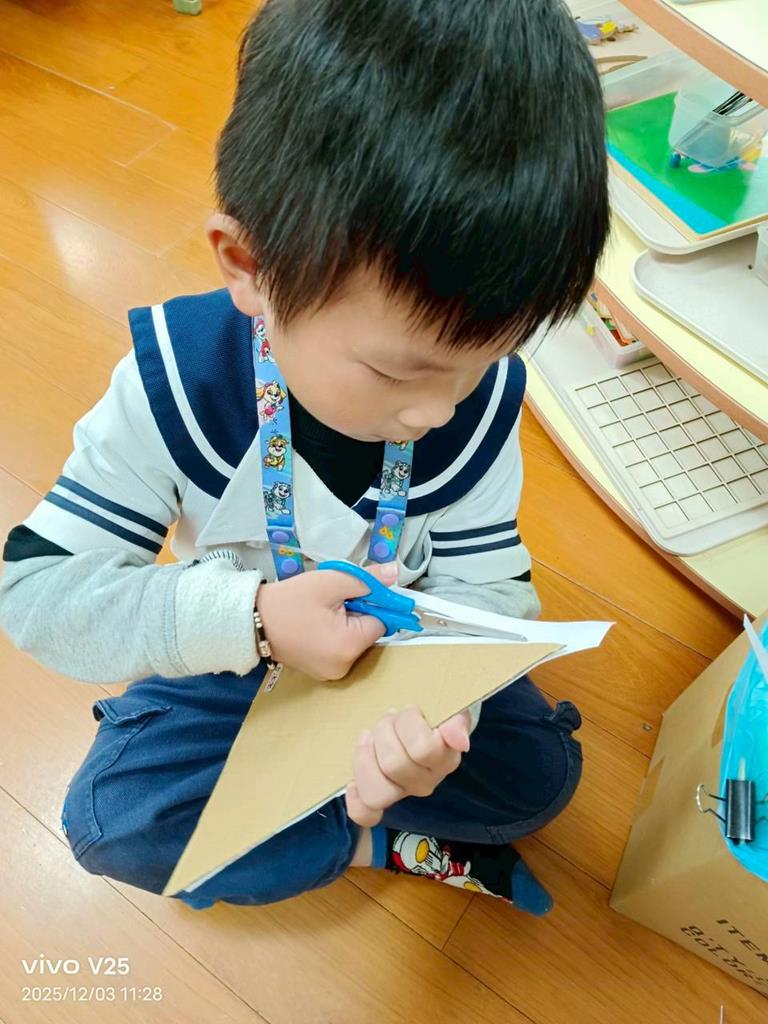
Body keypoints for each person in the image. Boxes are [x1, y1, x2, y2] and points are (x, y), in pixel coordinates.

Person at [0, 0, 608, 913]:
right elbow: (36, 592)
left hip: (394, 663)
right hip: (237, 653)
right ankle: (373, 843)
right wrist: (253, 619)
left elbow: (489, 585)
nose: (439, 409)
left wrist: (447, 705)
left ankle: (324, 812)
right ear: (248, 266)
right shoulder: (174, 388)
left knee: (542, 776)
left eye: (486, 359)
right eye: (397, 370)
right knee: (112, 820)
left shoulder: (471, 403)